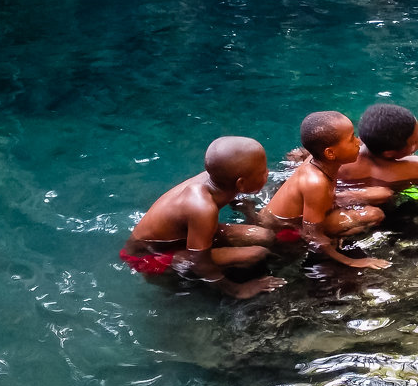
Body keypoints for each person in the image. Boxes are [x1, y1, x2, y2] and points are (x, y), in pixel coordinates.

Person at [120, 136, 287, 299]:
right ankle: (193, 287)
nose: (268, 173)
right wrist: (239, 290)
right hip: (148, 256)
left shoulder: (220, 178)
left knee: (264, 236)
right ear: (240, 183)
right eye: (262, 171)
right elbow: (200, 263)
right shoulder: (202, 207)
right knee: (256, 254)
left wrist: (247, 210)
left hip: (186, 239)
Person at [263, 111, 391, 269]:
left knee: (379, 199)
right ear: (330, 153)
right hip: (285, 230)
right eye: (352, 138)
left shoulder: (319, 160)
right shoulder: (316, 183)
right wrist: (353, 261)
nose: (358, 142)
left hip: (298, 217)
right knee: (373, 215)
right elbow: (312, 234)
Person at [338, 103, 418, 186]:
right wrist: (413, 151)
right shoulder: (417, 167)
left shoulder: (341, 165)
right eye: (414, 141)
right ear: (389, 153)